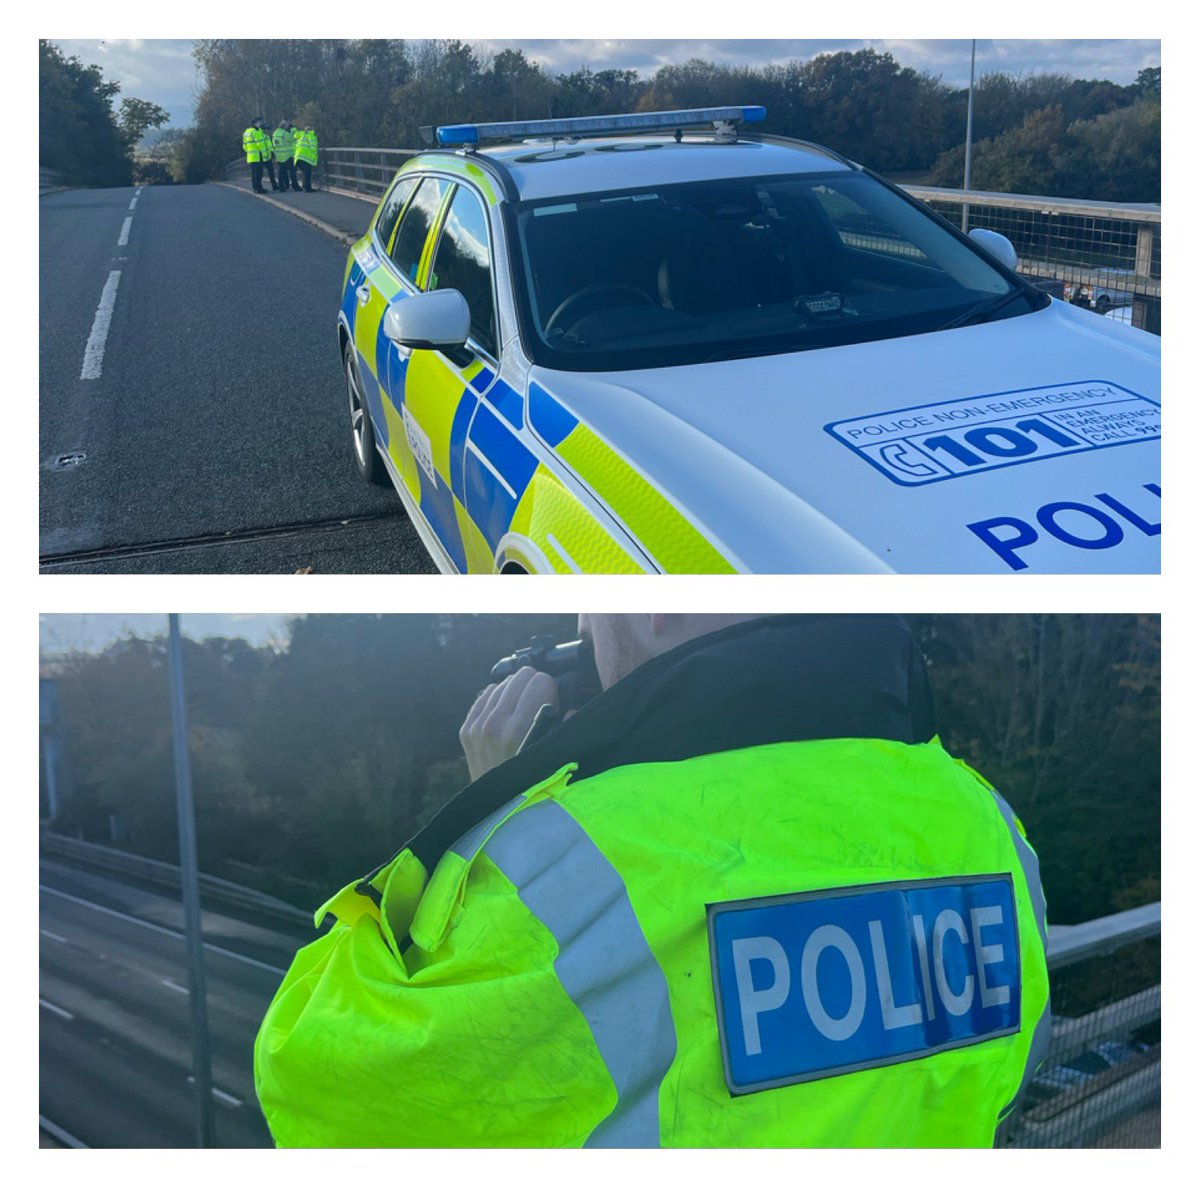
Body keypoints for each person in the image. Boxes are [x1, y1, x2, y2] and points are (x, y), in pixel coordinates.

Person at [254, 614, 1050, 1148]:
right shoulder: (986, 818)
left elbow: (316, 1082)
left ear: (648, 615)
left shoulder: (557, 853)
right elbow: (1017, 1061)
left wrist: (493, 805)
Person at [242, 117, 267, 193]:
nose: (260, 124)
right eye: (259, 122)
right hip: (258, 155)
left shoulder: (246, 132)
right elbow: (260, 144)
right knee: (259, 174)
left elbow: (244, 145)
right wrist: (265, 154)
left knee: (254, 174)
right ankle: (259, 189)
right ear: (255, 123)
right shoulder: (256, 132)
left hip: (250, 156)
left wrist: (249, 151)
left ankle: (255, 188)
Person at [273, 118, 296, 192]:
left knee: (281, 172)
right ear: (284, 127)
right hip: (287, 155)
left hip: (279, 156)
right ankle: (295, 185)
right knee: (292, 171)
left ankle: (281, 187)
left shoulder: (275, 133)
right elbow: (292, 139)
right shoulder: (284, 133)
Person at [294, 125, 318, 192]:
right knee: (307, 174)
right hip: (306, 157)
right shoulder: (311, 136)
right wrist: (315, 155)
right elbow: (313, 147)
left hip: (298, 157)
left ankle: (305, 187)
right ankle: (307, 188)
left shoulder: (301, 136)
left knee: (304, 173)